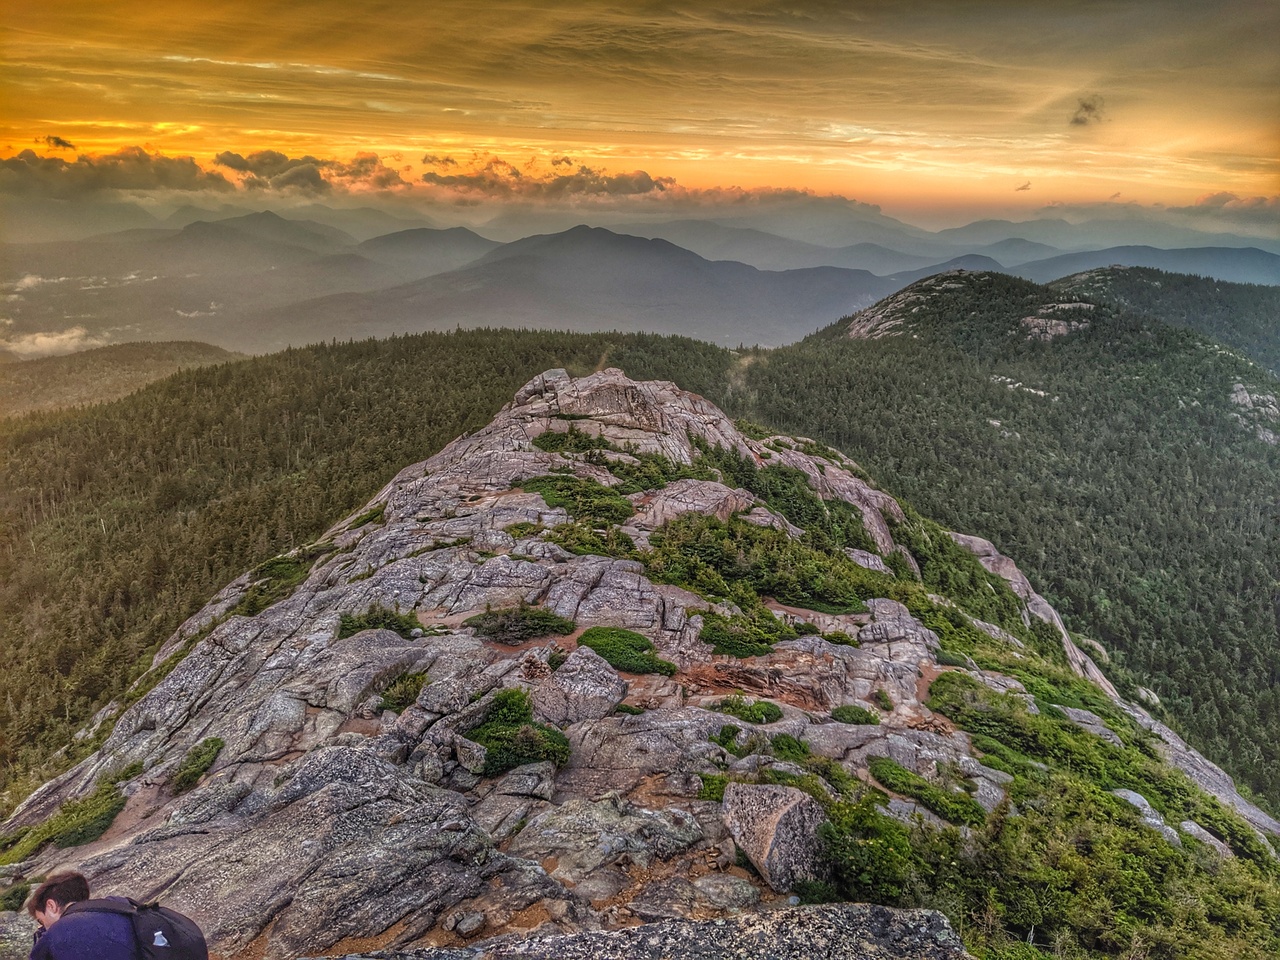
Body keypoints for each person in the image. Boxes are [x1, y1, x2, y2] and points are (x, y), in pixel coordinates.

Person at [27, 872, 137, 960]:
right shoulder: (118, 904)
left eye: (41, 921)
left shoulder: (57, 933)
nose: (44, 927)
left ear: (51, 906)